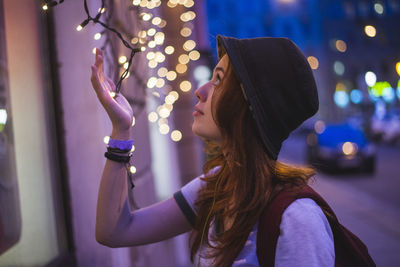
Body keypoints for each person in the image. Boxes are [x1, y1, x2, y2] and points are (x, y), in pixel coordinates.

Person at [91, 35, 334, 266]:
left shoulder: (297, 219)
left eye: (218, 80)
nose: (201, 90)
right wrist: (121, 130)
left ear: (248, 106)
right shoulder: (217, 187)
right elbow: (114, 231)